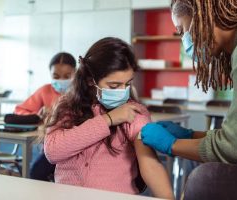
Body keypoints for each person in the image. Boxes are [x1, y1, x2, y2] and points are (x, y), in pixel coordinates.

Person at [141, 0, 237, 164]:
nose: (184, 41)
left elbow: (234, 148)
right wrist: (191, 136)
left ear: (202, 15)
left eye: (182, 31)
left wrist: (172, 145)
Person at [43, 37, 174, 199]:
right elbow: (53, 151)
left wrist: (168, 197)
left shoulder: (133, 112)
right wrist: (108, 119)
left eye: (127, 84)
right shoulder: (67, 107)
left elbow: (150, 163)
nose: (123, 91)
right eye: (114, 86)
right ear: (91, 81)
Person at [14, 52, 77, 181]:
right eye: (56, 76)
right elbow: (19, 110)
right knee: (36, 172)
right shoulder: (45, 90)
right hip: (51, 147)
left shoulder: (80, 92)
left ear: (75, 72)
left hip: (74, 146)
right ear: (50, 74)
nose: (61, 80)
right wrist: (38, 115)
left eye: (66, 76)